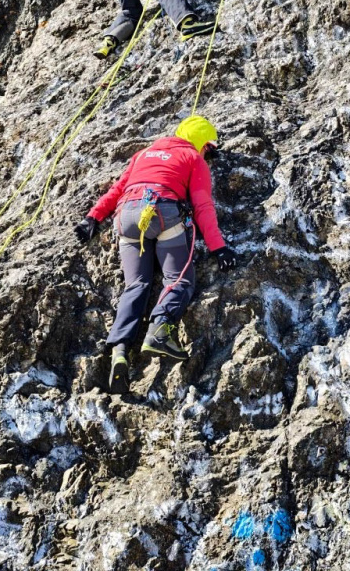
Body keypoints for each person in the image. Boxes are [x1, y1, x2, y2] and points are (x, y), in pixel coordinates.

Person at [74, 115, 238, 393]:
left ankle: (120, 352)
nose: (208, 155)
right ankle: (160, 329)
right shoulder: (192, 158)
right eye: (209, 149)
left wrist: (92, 217)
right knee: (179, 278)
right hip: (162, 213)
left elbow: (118, 188)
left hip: (126, 217)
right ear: (201, 143)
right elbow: (202, 206)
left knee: (135, 285)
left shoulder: (144, 154)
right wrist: (218, 247)